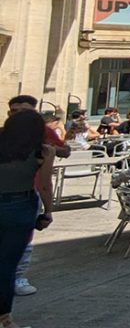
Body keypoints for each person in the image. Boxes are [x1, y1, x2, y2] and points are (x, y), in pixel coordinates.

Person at [0, 105, 55, 328]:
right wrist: (48, 212)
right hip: (20, 205)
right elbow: (44, 185)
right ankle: (5, 319)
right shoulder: (42, 152)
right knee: (7, 264)